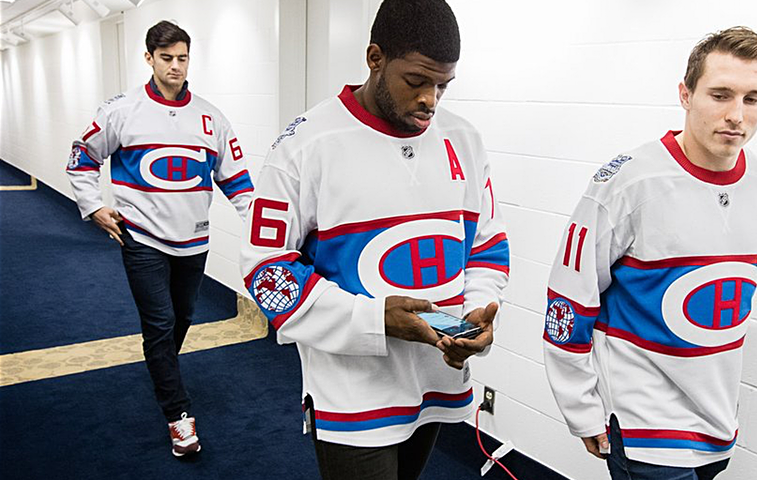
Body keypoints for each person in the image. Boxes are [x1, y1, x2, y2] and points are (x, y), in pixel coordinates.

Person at [238, 1, 508, 479]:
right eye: (417, 81)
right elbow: (266, 272)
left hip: (436, 378)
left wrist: (477, 311)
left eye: (443, 85)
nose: (430, 99)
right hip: (352, 395)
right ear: (375, 58)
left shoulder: (465, 141)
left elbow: (487, 245)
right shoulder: (305, 145)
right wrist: (372, 319)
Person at [542, 27, 757, 480]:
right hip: (644, 425)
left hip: (716, 421)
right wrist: (582, 407)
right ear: (686, 94)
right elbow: (568, 299)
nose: (736, 115)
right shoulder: (629, 182)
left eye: (753, 99)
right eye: (720, 94)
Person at [65, 20, 254, 458]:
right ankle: (178, 414)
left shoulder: (211, 117)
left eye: (182, 59)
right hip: (142, 238)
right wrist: (93, 206)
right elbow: (83, 156)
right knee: (161, 323)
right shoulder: (121, 110)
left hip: (195, 241)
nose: (175, 67)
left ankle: (161, 366)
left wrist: (266, 228)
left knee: (182, 316)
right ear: (148, 58)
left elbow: (237, 179)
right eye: (166, 58)